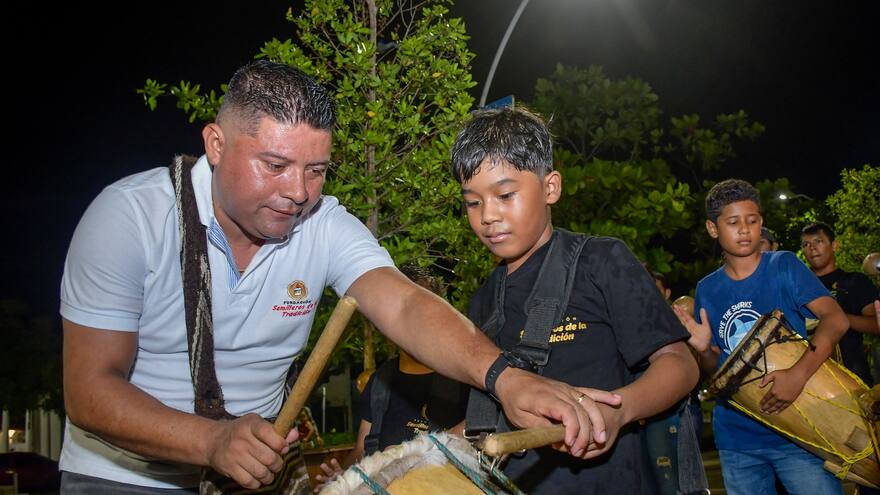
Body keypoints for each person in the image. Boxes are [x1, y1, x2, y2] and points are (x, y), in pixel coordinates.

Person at [59, 61, 620, 493]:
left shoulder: (322, 223)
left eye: (317, 170)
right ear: (216, 144)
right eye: (275, 166)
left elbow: (403, 305)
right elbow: (89, 390)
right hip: (123, 476)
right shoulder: (128, 218)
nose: (299, 192)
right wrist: (212, 440)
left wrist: (504, 378)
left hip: (253, 478)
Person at [450, 107, 698, 494]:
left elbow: (680, 365)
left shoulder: (602, 261)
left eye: (504, 195)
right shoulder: (482, 302)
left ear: (551, 187)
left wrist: (619, 412)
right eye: (473, 202)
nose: (488, 216)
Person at [673, 178, 848, 495]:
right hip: (738, 438)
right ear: (713, 229)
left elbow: (836, 320)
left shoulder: (783, 265)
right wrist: (702, 349)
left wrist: (797, 375)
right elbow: (718, 367)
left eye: (752, 221)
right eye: (733, 222)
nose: (744, 229)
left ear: (761, 223)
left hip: (798, 430)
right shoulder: (707, 289)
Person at [313, 263, 469, 490]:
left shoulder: (463, 378)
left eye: (421, 310)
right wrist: (343, 478)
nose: (410, 322)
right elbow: (362, 451)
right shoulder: (379, 383)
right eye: (397, 310)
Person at [640, 268, 704, 495]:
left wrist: (701, 348)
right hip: (638, 415)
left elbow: (691, 368)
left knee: (679, 481)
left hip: (677, 410)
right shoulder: (627, 320)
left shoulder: (678, 317)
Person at [801, 222, 879, 385]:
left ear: (834, 245)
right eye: (806, 244)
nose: (812, 248)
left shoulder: (855, 282)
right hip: (809, 379)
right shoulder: (799, 287)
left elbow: (875, 324)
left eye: (818, 241)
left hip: (853, 375)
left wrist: (835, 318)